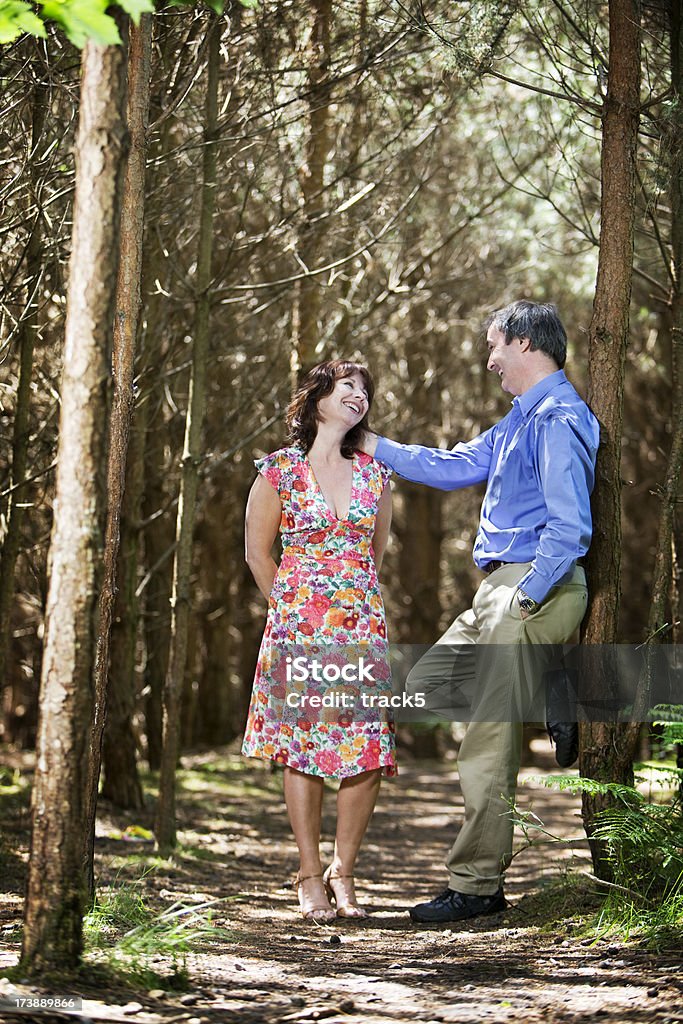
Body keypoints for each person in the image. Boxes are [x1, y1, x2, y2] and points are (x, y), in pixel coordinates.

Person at [359, 300, 599, 923]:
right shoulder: (519, 420)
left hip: (530, 589)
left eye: (495, 346)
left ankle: (477, 884)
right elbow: (452, 466)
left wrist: (527, 597)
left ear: (523, 343)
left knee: (486, 742)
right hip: (500, 595)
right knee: (427, 686)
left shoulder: (557, 417)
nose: (489, 360)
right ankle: (552, 681)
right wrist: (373, 445)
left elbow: (569, 527)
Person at [242, 359, 395, 922]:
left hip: (359, 627)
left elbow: (374, 555)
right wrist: (289, 610)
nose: (359, 395)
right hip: (297, 628)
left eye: (365, 390)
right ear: (317, 397)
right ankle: (308, 873)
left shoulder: (376, 475)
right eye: (348, 385)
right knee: (301, 747)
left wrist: (350, 604)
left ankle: (344, 871)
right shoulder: (277, 470)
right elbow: (260, 554)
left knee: (367, 750)